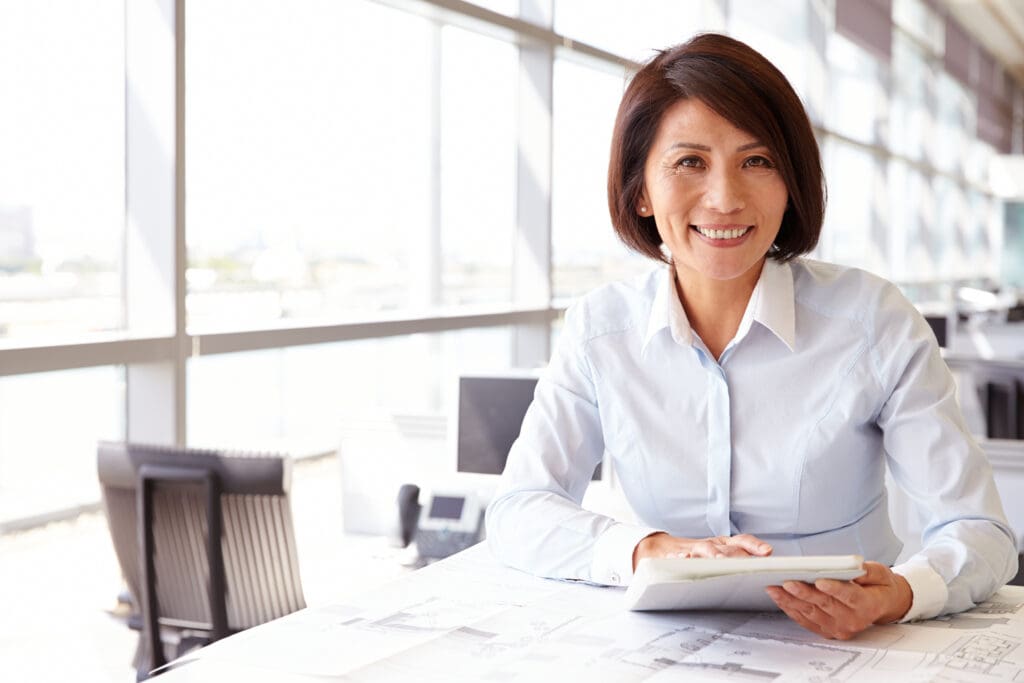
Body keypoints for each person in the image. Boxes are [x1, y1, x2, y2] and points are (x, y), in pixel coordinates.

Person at [485, 33, 1017, 640]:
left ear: (790, 185)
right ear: (639, 192)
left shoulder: (874, 322)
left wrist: (901, 592)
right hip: (661, 650)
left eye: (757, 161)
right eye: (690, 163)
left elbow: (980, 531)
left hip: (847, 647)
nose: (725, 198)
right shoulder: (600, 331)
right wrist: (648, 551)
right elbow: (518, 510)